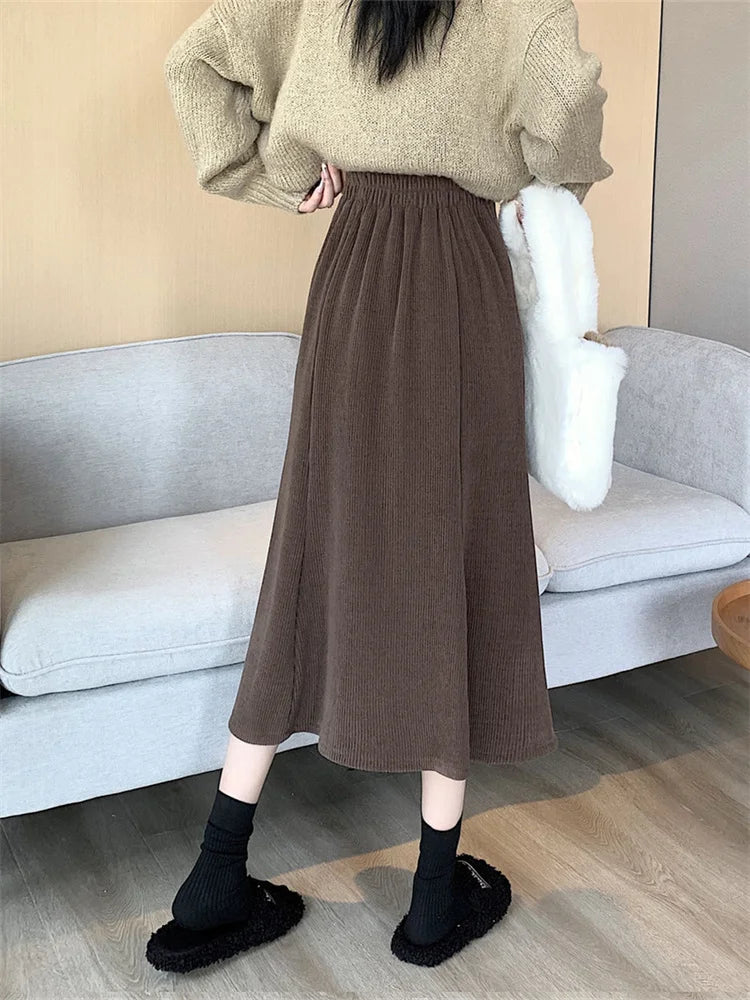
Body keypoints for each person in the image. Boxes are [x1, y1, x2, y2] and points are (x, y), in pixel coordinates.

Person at [147, 0, 613, 974]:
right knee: (457, 553)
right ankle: (434, 898)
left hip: (352, 273)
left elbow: (200, 60)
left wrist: (280, 176)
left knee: (310, 555)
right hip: (460, 279)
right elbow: (566, 101)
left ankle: (215, 874)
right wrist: (552, 180)